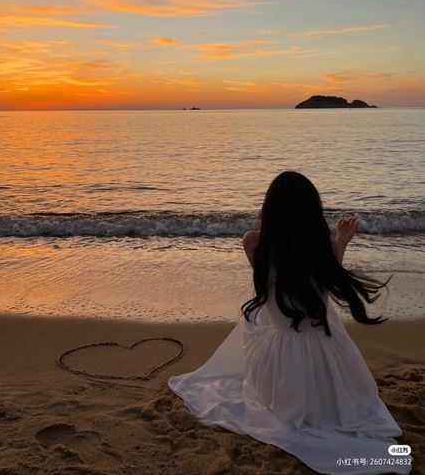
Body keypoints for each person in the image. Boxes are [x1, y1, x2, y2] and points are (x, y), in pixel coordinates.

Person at [168, 171, 412, 474]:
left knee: (255, 323)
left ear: (270, 208)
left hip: (281, 363)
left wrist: (336, 243)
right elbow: (324, 288)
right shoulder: (321, 243)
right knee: (313, 324)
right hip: (327, 354)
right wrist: (341, 242)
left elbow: (274, 290)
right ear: (313, 210)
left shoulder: (253, 242)